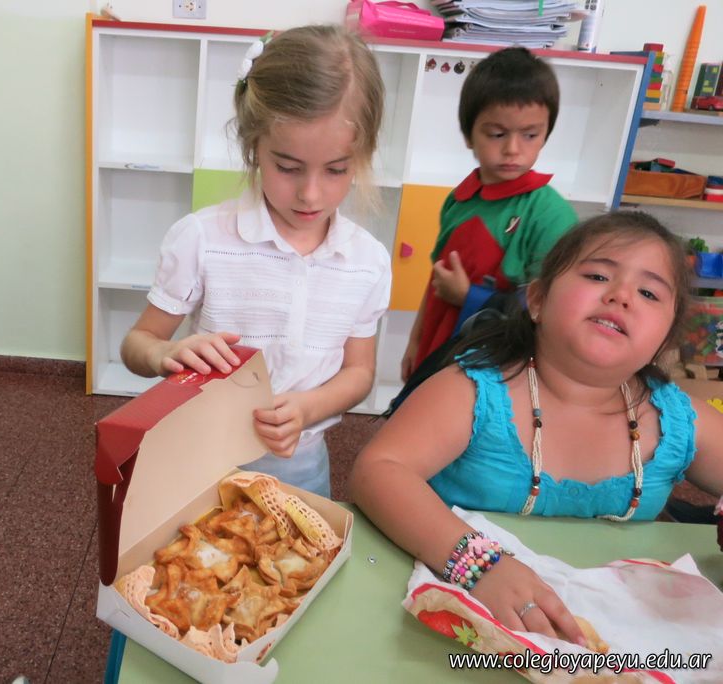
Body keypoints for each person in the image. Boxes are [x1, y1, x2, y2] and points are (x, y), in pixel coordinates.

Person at [352, 211, 723, 644]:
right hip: (447, 622)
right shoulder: (474, 393)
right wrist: (479, 565)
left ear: (666, 338)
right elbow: (377, 470)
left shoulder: (675, 420)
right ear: (538, 300)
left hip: (604, 643)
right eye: (598, 276)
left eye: (648, 292)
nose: (622, 296)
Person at [120, 25, 391, 498]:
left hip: (301, 462)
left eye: (336, 170)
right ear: (254, 148)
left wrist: (307, 408)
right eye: (287, 167)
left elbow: (360, 373)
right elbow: (137, 344)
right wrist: (164, 354)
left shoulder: (367, 261)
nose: (310, 194)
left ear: (362, 157)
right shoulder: (203, 238)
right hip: (200, 458)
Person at [393, 47, 578, 415]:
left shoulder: (551, 215)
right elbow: (437, 277)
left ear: (546, 134)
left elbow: (547, 312)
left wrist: (470, 297)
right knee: (422, 415)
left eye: (530, 135)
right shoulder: (460, 198)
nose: (512, 149)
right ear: (468, 135)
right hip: (440, 340)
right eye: (496, 134)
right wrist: (416, 341)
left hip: (496, 360)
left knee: (471, 425)